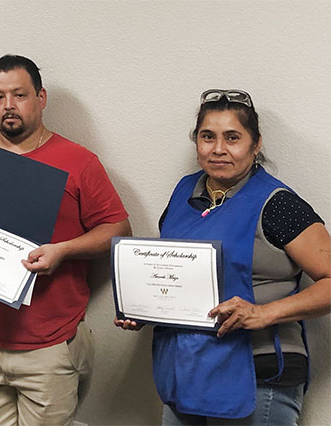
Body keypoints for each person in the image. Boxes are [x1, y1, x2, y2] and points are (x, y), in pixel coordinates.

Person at [0, 54, 131, 425]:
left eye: (19, 95)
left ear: (41, 97)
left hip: (49, 345)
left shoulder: (78, 161)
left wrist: (64, 251)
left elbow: (118, 231)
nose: (8, 106)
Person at [115, 89, 331, 425]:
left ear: (255, 143)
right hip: (186, 371)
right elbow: (174, 271)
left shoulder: (277, 204)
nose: (218, 149)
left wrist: (264, 313)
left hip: (257, 374)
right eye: (207, 137)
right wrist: (145, 306)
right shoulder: (184, 192)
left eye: (232, 137)